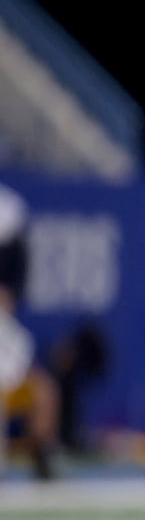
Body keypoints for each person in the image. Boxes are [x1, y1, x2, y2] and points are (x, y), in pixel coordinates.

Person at [0, 183, 61, 480]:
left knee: (44, 390)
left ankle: (43, 460)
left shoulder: (6, 319)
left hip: (6, 383)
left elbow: (17, 359)